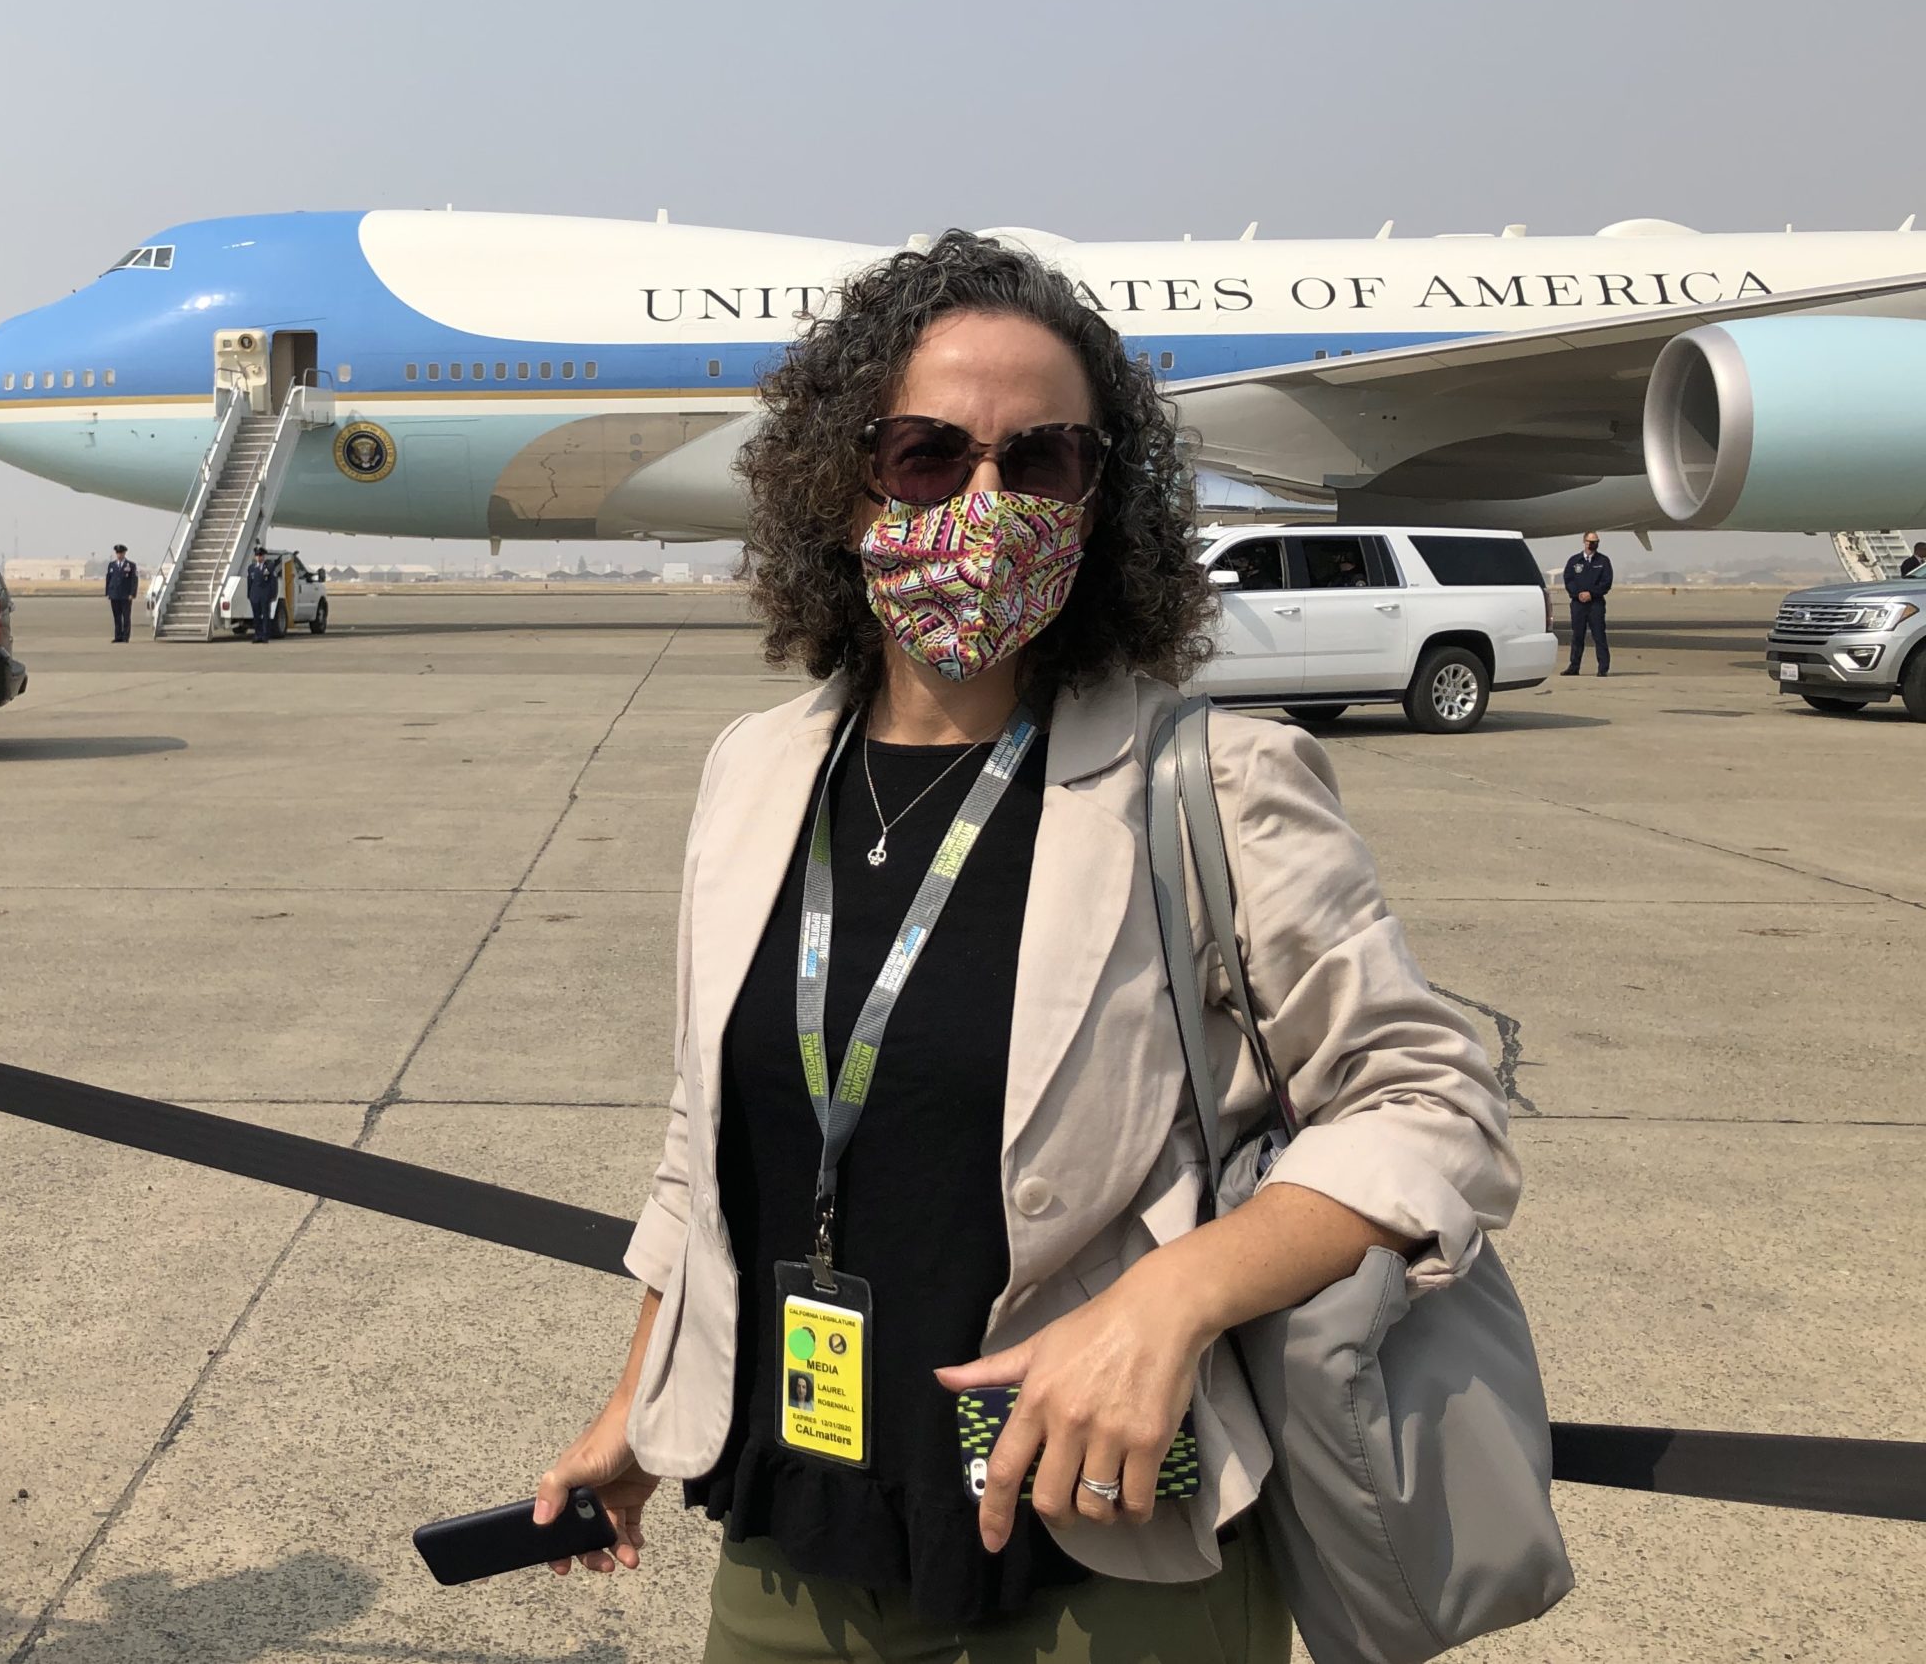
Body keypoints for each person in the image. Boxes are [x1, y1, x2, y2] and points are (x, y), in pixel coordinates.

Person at [531, 231, 1518, 1662]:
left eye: (1040, 460)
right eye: (930, 454)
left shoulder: (1212, 778)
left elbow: (1431, 1101)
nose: (984, 503)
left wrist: (1176, 1298)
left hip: (1097, 1564)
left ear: (1099, 497)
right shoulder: (754, 773)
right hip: (787, 1548)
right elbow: (708, 1150)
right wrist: (642, 1403)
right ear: (845, 482)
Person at [1563, 533, 1613, 675]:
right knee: (1577, 636)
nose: (1592, 544)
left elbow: (1606, 582)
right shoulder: (1574, 561)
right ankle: (1574, 666)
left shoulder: (1603, 561)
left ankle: (1603, 668)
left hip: (1595, 604)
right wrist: (1578, 594)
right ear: (1584, 542)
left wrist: (1591, 593)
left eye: (1595, 542)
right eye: (1590, 541)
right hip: (1578, 604)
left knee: (1599, 635)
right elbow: (1568, 580)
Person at [104, 544, 139, 643]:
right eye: (117, 553)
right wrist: (108, 592)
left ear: (124, 553)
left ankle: (125, 637)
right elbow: (109, 579)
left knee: (126, 617)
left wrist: (132, 593)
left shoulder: (131, 565)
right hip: (114, 595)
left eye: (121, 553)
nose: (119, 555)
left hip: (126, 595)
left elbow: (134, 580)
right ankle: (118, 636)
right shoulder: (112, 565)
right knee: (117, 617)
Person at [244, 549, 279, 643]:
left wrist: (273, 594)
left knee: (266, 616)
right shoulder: (251, 568)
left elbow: (273, 582)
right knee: (256, 617)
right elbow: (249, 582)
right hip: (254, 595)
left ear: (264, 556)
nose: (259, 557)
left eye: (261, 555)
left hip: (265, 595)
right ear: (255, 557)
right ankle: (257, 635)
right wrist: (249, 594)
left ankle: (265, 635)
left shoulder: (269, 567)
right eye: (257, 555)